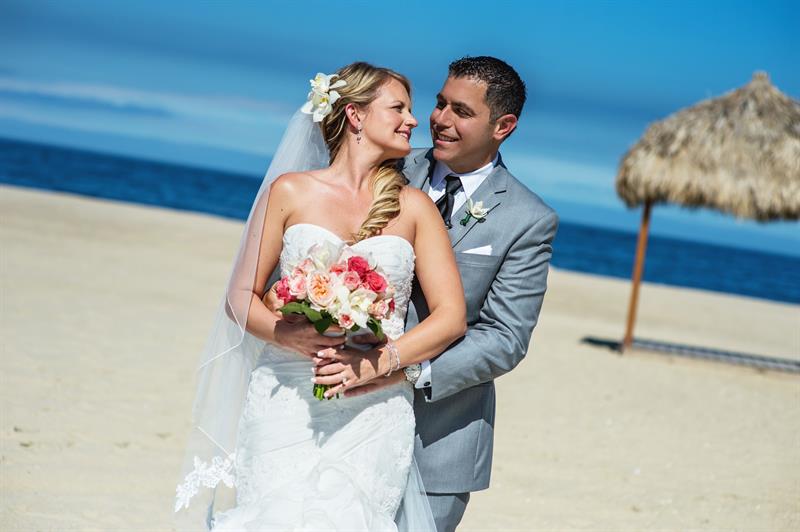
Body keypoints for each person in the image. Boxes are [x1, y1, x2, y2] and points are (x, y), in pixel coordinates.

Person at [173, 62, 466, 531]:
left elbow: (451, 317)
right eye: (398, 108)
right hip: (284, 398)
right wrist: (285, 335)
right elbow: (240, 295)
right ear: (355, 114)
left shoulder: (415, 208)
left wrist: (381, 362)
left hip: (374, 409)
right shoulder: (290, 191)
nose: (413, 120)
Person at [275, 56, 559, 532]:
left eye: (461, 112)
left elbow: (505, 338)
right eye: (441, 103)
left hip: (439, 440)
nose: (440, 119)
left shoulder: (528, 219)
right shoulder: (386, 161)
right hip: (336, 411)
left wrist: (401, 370)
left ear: (503, 126)